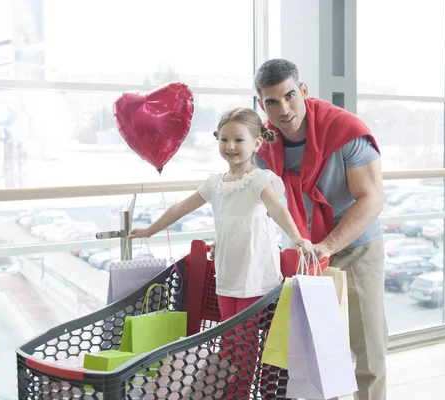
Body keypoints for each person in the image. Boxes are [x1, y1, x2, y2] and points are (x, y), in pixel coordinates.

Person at [128, 107, 313, 399]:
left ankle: (236, 395)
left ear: (256, 143)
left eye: (239, 140)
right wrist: (149, 230)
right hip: (227, 277)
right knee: (229, 343)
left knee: (246, 344)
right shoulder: (215, 184)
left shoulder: (259, 180)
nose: (230, 147)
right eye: (224, 139)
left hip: (255, 279)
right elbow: (180, 208)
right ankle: (227, 394)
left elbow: (278, 209)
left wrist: (296, 236)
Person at [253, 58, 388, 400]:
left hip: (355, 247)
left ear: (304, 91)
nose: (284, 109)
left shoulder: (343, 130)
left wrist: (328, 245)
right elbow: (258, 202)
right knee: (317, 354)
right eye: (272, 101)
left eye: (290, 96)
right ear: (261, 104)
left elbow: (371, 199)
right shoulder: (262, 145)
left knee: (367, 350)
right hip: (305, 254)